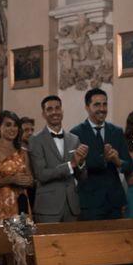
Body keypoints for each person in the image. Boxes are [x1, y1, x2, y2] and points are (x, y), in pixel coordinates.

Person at [70, 88, 133, 220]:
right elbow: (76, 170)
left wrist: (117, 161)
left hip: (114, 201)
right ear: (87, 107)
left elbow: (129, 166)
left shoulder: (116, 131)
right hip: (89, 202)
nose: (102, 108)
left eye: (105, 104)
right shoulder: (76, 133)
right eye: (97, 104)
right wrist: (103, 159)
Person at [29, 95, 88, 223]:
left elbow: (82, 177)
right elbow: (41, 175)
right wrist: (70, 164)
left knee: (72, 243)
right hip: (48, 208)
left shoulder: (74, 139)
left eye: (57, 108)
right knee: (47, 243)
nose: (54, 112)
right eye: (49, 109)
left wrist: (81, 163)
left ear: (62, 111)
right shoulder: (35, 140)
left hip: (72, 206)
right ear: (43, 114)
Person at [0, 110, 34, 224]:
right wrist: (10, 180)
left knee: (22, 240)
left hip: (22, 204)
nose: (12, 129)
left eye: (15, 125)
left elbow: (31, 180)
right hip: (1, 204)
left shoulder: (23, 151)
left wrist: (28, 181)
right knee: (1, 240)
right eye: (8, 125)